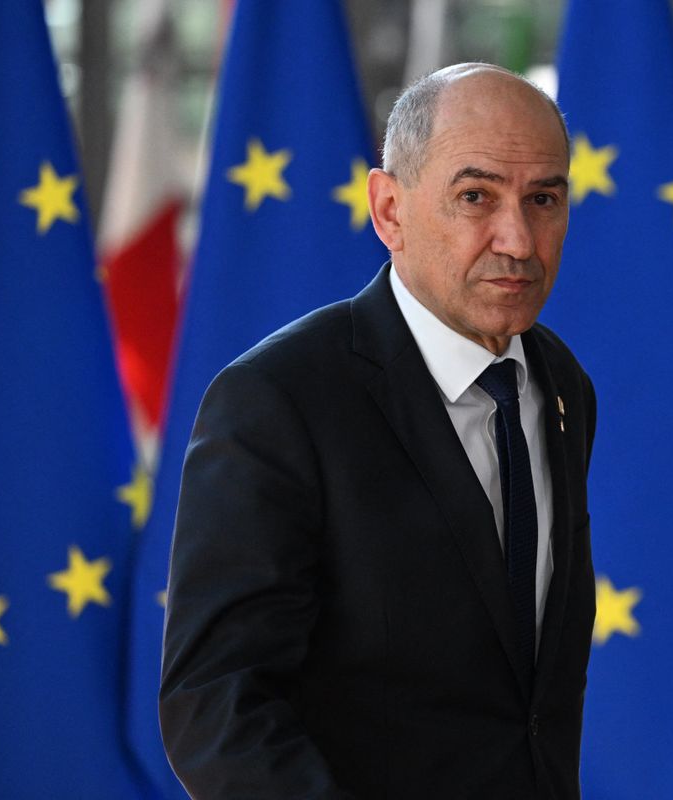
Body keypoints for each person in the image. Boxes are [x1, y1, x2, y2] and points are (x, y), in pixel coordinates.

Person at [159, 63, 596, 799]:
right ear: (389, 209)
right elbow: (217, 707)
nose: (519, 240)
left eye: (543, 199)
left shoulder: (560, 384)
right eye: (475, 197)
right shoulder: (278, 400)